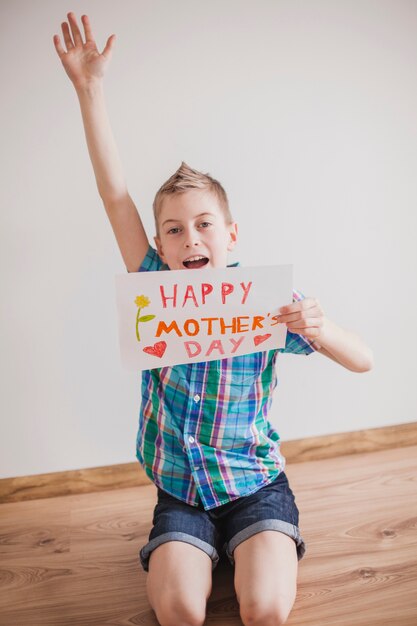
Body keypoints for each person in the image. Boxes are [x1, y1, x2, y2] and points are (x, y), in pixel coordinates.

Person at [54, 13, 374, 626]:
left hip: (254, 482)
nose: (189, 237)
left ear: (230, 235)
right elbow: (114, 195)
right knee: (179, 611)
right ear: (161, 246)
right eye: (173, 230)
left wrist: (316, 325)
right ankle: (199, 549)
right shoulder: (153, 284)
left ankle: (250, 544)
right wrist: (89, 90)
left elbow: (363, 359)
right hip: (180, 487)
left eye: (204, 224)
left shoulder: (266, 300)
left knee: (266, 610)